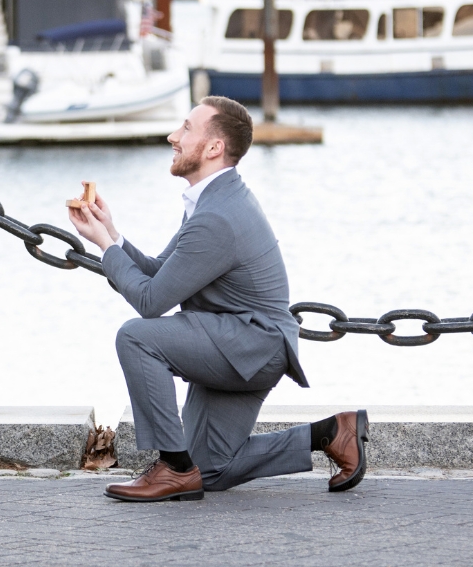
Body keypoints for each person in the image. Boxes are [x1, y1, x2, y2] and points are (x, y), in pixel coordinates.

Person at [68, 97, 367, 503]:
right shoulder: (213, 200)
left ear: (213, 148)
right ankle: (331, 434)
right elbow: (161, 272)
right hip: (243, 344)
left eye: (186, 128)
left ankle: (173, 468)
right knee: (211, 469)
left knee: (136, 337)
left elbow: (151, 302)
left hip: (249, 345)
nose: (173, 136)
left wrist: (105, 248)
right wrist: (112, 235)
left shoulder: (216, 216)